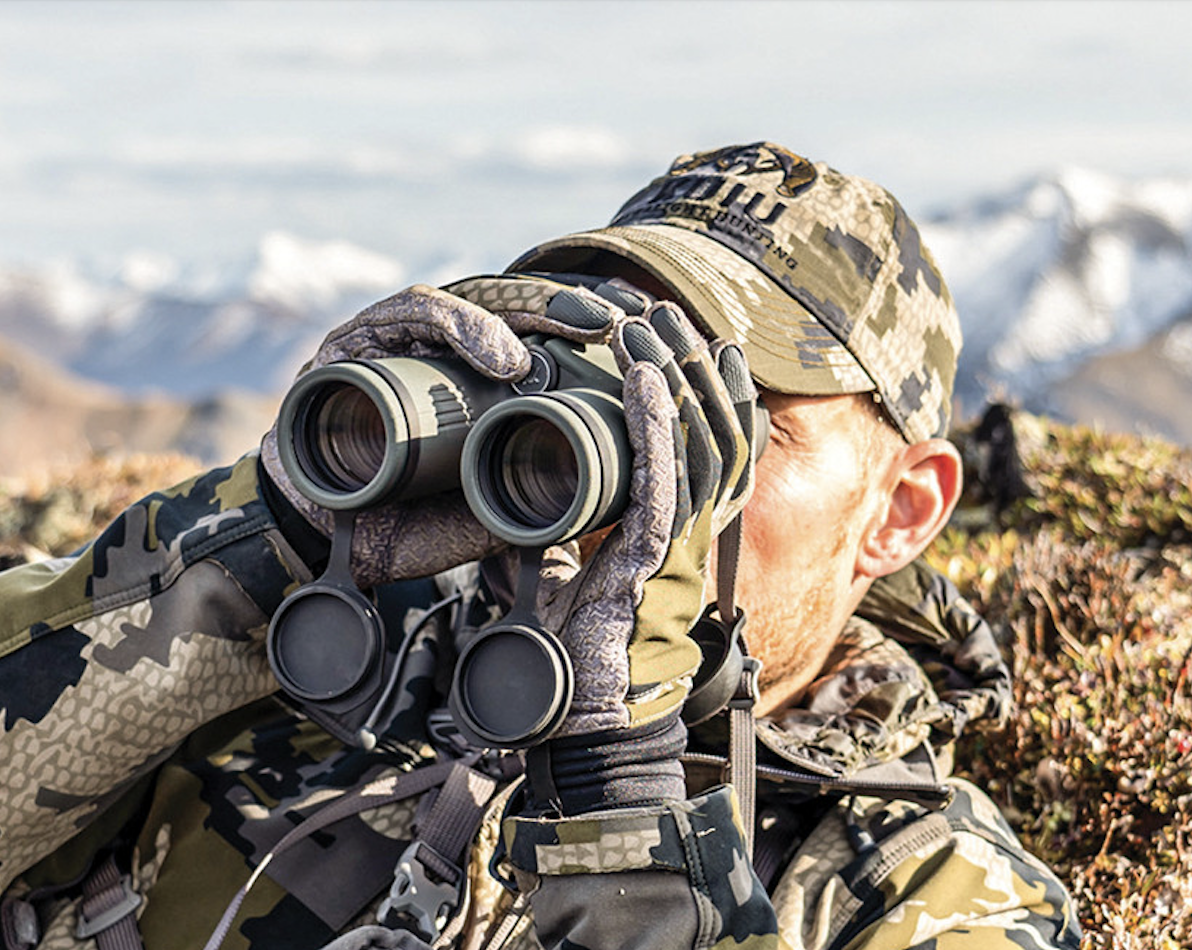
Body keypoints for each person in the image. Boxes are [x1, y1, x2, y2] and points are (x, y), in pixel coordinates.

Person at [0, 142, 1080, 950]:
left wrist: (624, 784)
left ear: (900, 510)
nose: (652, 477)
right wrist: (257, 545)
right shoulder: (314, 657)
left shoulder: (934, 893)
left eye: (727, 425)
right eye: (612, 394)